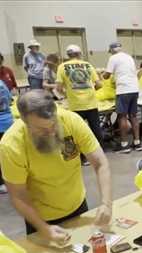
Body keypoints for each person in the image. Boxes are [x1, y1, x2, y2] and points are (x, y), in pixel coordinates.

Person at [0, 90, 112, 242]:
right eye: (42, 129)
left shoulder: (71, 120)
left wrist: (106, 204)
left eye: (53, 124)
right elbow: (18, 195)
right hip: (40, 218)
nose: (51, 132)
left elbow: (100, 163)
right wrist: (44, 228)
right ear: (25, 122)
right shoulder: (11, 145)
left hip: (78, 206)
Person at [56, 45, 103, 166]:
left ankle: (83, 158)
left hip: (75, 105)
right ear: (80, 54)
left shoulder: (62, 67)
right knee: (96, 130)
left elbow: (58, 88)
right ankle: (98, 155)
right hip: (91, 103)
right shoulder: (88, 65)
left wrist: (68, 94)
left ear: (68, 55)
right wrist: (90, 91)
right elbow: (99, 84)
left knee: (76, 132)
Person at [104, 42, 142, 153]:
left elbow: (107, 75)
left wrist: (101, 75)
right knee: (133, 116)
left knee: (122, 117)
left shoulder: (113, 58)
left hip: (123, 90)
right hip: (134, 89)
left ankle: (124, 144)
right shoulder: (129, 57)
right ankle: (137, 142)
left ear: (112, 50)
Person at [0, 80, 13, 194]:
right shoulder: (1, 83)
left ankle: (1, 183)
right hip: (8, 122)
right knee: (8, 153)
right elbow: (10, 99)